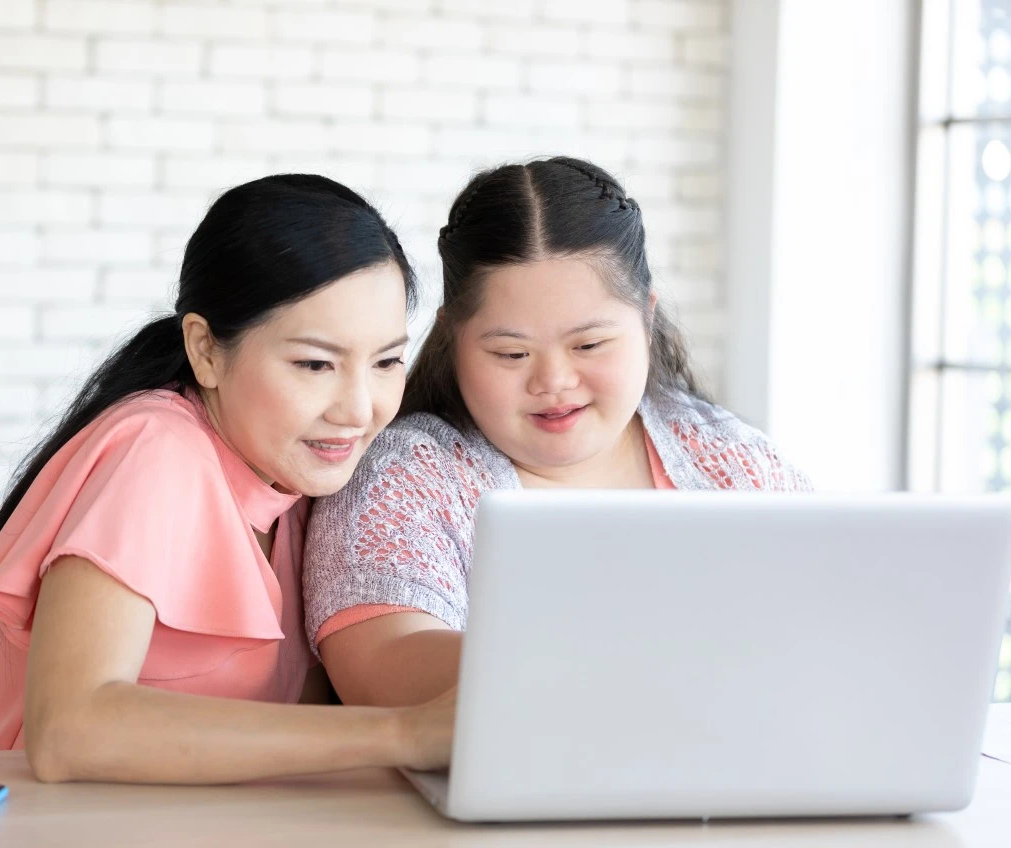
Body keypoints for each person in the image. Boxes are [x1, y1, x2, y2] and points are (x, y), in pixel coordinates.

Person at [0, 174, 454, 783]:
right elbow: (70, 729)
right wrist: (404, 733)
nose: (359, 409)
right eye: (314, 364)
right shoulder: (156, 449)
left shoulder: (296, 483)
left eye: (387, 361)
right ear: (204, 349)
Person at [304, 157, 811, 708]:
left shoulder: (728, 455)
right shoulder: (405, 475)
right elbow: (385, 668)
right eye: (511, 353)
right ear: (452, 337)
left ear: (646, 319)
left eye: (589, 345)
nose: (554, 381)